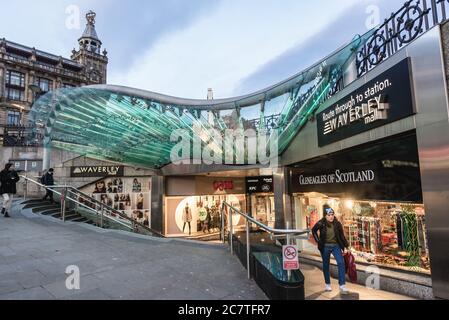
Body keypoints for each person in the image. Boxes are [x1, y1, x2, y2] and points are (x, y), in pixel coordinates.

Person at [312, 204, 350, 295]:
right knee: (326, 265)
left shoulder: (337, 224)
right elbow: (313, 230)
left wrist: (346, 246)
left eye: (332, 214)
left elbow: (341, 236)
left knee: (341, 263)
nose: (331, 216)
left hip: (336, 246)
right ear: (325, 215)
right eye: (329, 215)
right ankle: (328, 284)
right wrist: (318, 241)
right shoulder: (321, 223)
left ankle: (342, 285)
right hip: (325, 246)